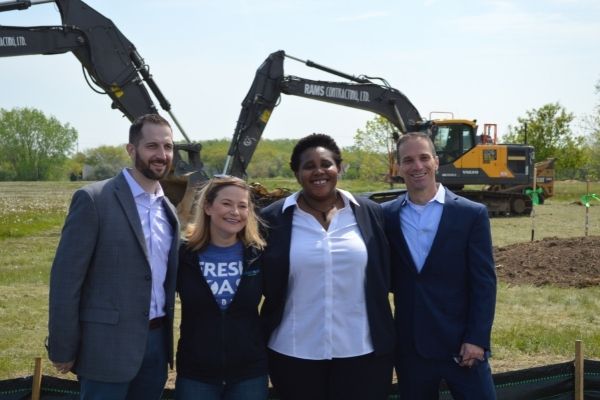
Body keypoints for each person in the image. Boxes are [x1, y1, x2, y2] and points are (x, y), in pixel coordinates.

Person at [47, 114, 180, 400]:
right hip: (105, 348)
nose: (161, 155)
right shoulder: (94, 199)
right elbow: (66, 280)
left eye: (168, 147)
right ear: (131, 150)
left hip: (156, 346)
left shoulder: (168, 209)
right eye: (152, 146)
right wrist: (63, 346)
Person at [260, 133, 395, 400]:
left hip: (363, 351)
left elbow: (387, 274)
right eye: (308, 166)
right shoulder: (273, 219)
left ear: (339, 168)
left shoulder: (370, 213)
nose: (318, 171)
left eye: (326, 164)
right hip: (294, 352)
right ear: (297, 174)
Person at [382, 132, 497, 399]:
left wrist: (477, 339)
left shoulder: (471, 214)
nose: (417, 166)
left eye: (424, 158)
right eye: (408, 160)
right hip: (412, 349)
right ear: (399, 167)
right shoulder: (386, 216)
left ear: (435, 161)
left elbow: (484, 283)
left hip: (463, 347)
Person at [175, 175, 269, 400]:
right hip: (196, 375)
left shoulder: (258, 256)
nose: (235, 212)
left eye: (242, 206)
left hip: (249, 375)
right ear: (208, 207)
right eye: (226, 203)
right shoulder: (183, 256)